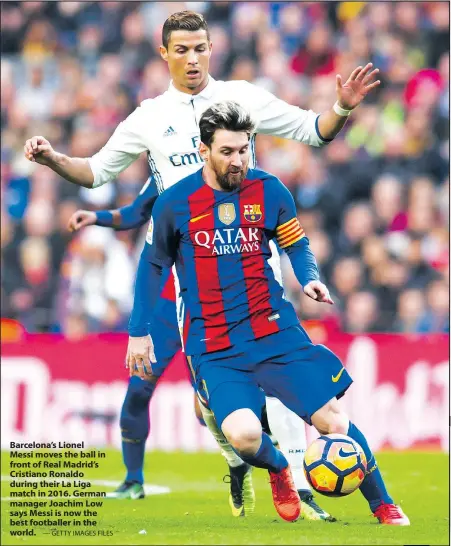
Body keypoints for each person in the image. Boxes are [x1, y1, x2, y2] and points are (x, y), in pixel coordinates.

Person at [24, 10, 380, 518]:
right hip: (194, 286)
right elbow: (97, 172)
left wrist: (341, 108)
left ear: (212, 48)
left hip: (256, 268)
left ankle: (300, 487)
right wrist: (54, 158)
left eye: (201, 48)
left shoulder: (243, 98)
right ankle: (237, 460)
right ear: (164, 53)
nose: (194, 58)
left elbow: (313, 131)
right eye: (183, 50)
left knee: (279, 387)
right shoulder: (149, 117)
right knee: (213, 403)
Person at [127, 100, 410, 525]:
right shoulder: (175, 203)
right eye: (227, 151)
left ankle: (383, 504)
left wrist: (309, 276)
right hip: (216, 344)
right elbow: (152, 267)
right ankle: (278, 468)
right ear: (204, 151)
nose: (238, 159)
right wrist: (138, 330)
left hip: (274, 331)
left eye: (244, 149)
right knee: (243, 435)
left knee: (333, 419)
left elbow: (296, 242)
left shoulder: (271, 190)